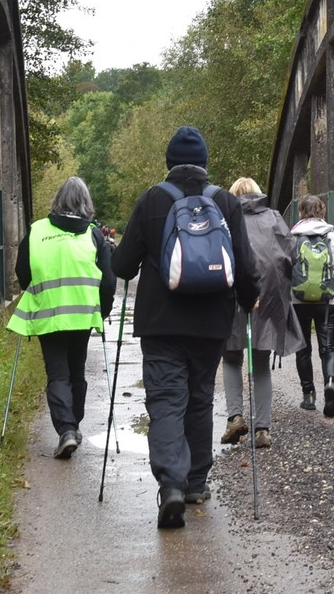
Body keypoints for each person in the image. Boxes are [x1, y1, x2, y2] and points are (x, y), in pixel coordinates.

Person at [111, 126, 260, 529]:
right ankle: (195, 483)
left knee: (165, 401)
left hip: (160, 323)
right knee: (199, 399)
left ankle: (171, 484)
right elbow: (244, 264)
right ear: (205, 163)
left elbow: (122, 265)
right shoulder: (225, 201)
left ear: (169, 163)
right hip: (211, 323)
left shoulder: (152, 200)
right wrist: (249, 298)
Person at [8, 176, 115, 460]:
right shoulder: (94, 235)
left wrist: (38, 292)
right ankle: (73, 426)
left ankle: (66, 430)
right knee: (76, 372)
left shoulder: (37, 231)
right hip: (82, 315)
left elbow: (23, 273)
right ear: (86, 203)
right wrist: (103, 311)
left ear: (58, 200)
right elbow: (108, 280)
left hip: (49, 313)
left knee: (57, 373)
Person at [219, 178, 305, 450]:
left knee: (231, 357)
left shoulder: (224, 218)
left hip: (232, 294)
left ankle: (235, 417)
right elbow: (291, 254)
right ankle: (263, 429)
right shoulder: (274, 218)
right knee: (261, 363)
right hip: (267, 297)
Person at [289, 194, 334, 418]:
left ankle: (308, 395)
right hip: (328, 302)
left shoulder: (292, 237)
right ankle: (330, 384)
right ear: (322, 212)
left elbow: (284, 269)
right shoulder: (332, 237)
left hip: (298, 302)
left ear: (300, 212)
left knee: (302, 348)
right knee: (328, 348)